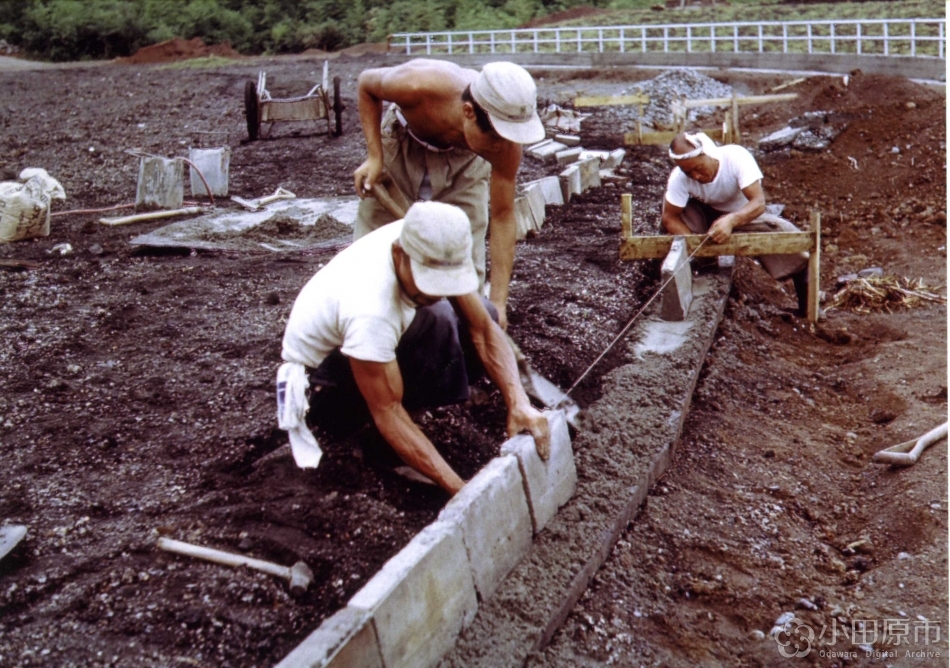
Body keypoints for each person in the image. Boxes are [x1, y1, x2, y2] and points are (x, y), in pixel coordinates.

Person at [276, 201, 550, 496]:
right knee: (437, 321)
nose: (435, 293)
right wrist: (461, 489)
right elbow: (388, 410)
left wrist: (518, 400)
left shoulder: (433, 243)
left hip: (368, 350)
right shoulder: (371, 308)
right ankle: (379, 449)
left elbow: (483, 329)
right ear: (399, 254)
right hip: (320, 388)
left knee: (478, 312)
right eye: (426, 284)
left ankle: (413, 420)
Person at [352, 59, 546, 331]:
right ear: (468, 112)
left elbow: (502, 217)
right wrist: (375, 157)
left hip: (465, 165)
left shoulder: (504, 147)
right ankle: (364, 332)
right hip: (402, 145)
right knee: (372, 253)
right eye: (496, 138)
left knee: (464, 264)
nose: (503, 146)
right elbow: (366, 84)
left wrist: (499, 303)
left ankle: (458, 342)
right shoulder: (418, 84)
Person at [660, 131, 813, 317]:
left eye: (698, 168)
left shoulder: (736, 157)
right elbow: (669, 217)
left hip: (743, 213)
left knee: (790, 240)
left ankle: (807, 309)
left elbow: (758, 202)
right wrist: (693, 244)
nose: (696, 176)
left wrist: (732, 220)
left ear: (710, 154)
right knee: (679, 218)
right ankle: (700, 266)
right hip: (704, 215)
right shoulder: (679, 178)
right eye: (688, 172)